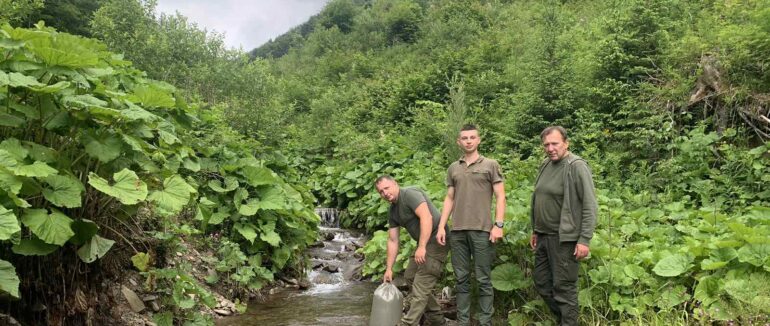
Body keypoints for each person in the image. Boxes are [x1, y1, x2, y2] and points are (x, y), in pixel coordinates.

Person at [436, 124, 506, 326]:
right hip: (457, 231)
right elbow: (449, 198)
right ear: (459, 141)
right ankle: (463, 320)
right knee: (461, 278)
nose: (468, 141)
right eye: (464, 138)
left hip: (483, 230)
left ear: (478, 140)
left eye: (472, 137)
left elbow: (501, 196)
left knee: (484, 279)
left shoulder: (490, 165)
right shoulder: (453, 168)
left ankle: (486, 321)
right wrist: (442, 226)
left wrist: (498, 224)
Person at [529, 126, 597, 325]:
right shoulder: (545, 164)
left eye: (555, 143)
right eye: (546, 145)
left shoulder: (576, 166)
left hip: (564, 240)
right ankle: (564, 321)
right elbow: (539, 197)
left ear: (566, 143)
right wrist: (535, 230)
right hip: (542, 236)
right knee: (542, 283)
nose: (550, 148)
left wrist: (584, 239)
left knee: (564, 289)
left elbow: (589, 205)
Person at [376, 175, 449, 326]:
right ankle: (437, 320)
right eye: (381, 192)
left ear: (395, 184)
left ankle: (408, 323)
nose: (385, 193)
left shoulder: (409, 194)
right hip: (423, 242)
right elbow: (393, 240)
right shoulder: (393, 211)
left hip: (437, 239)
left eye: (387, 188)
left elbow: (426, 217)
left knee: (422, 283)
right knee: (410, 277)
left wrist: (422, 247)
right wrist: (389, 269)